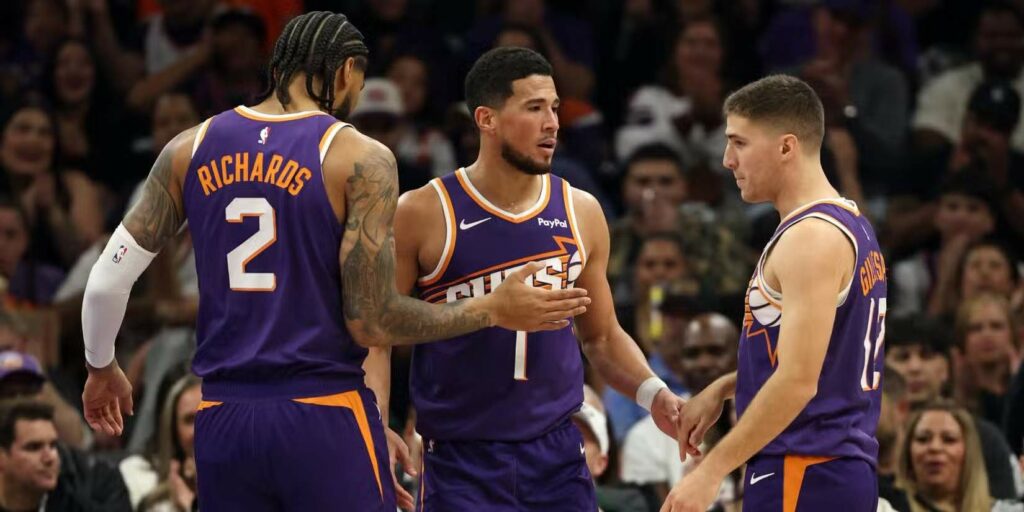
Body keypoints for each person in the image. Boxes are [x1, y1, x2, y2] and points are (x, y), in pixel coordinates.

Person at [78, 11, 590, 511]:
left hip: (222, 415)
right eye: (359, 84)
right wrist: (493, 309)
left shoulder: (189, 147)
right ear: (346, 70)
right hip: (322, 410)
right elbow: (372, 321)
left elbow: (105, 282)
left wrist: (101, 366)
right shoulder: (357, 156)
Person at [394, 46, 686, 511]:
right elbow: (376, 329)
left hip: (557, 457)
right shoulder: (423, 211)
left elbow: (604, 338)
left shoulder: (581, 211)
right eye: (534, 108)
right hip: (459, 459)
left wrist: (655, 394)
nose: (552, 122)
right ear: (486, 119)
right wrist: (370, 424)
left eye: (554, 107)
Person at [663, 75, 887, 511]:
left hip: (805, 468)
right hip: (832, 468)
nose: (727, 160)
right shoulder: (849, 223)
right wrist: (728, 386)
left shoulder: (811, 238)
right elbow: (825, 359)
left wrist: (710, 472)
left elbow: (798, 382)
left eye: (739, 143)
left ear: (786, 147)